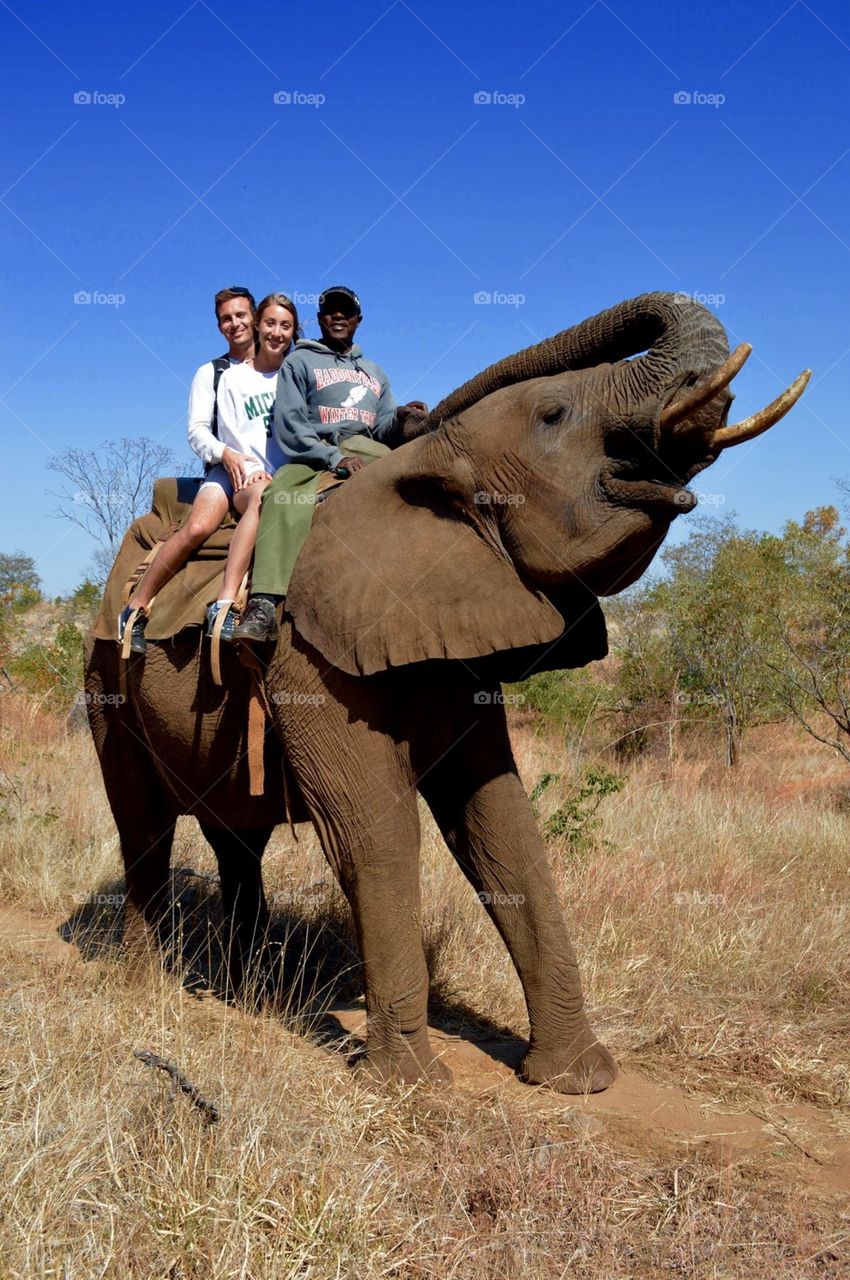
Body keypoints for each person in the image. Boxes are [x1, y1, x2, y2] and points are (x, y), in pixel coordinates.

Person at [234, 285, 426, 641]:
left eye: (346, 310)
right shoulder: (300, 361)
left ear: (358, 320)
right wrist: (334, 457)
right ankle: (262, 604)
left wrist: (400, 418)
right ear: (321, 319)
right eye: (330, 311)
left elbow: (382, 428)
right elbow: (291, 424)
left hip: (365, 447)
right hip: (314, 453)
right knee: (280, 495)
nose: (338, 316)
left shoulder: (374, 372)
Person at [118, 292, 299, 652]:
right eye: (227, 319)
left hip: (276, 471)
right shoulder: (215, 374)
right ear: (220, 326)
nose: (236, 324)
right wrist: (228, 456)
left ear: (256, 318)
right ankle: (137, 607)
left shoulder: (290, 371)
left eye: (241, 315)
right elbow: (198, 430)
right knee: (199, 526)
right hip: (226, 468)